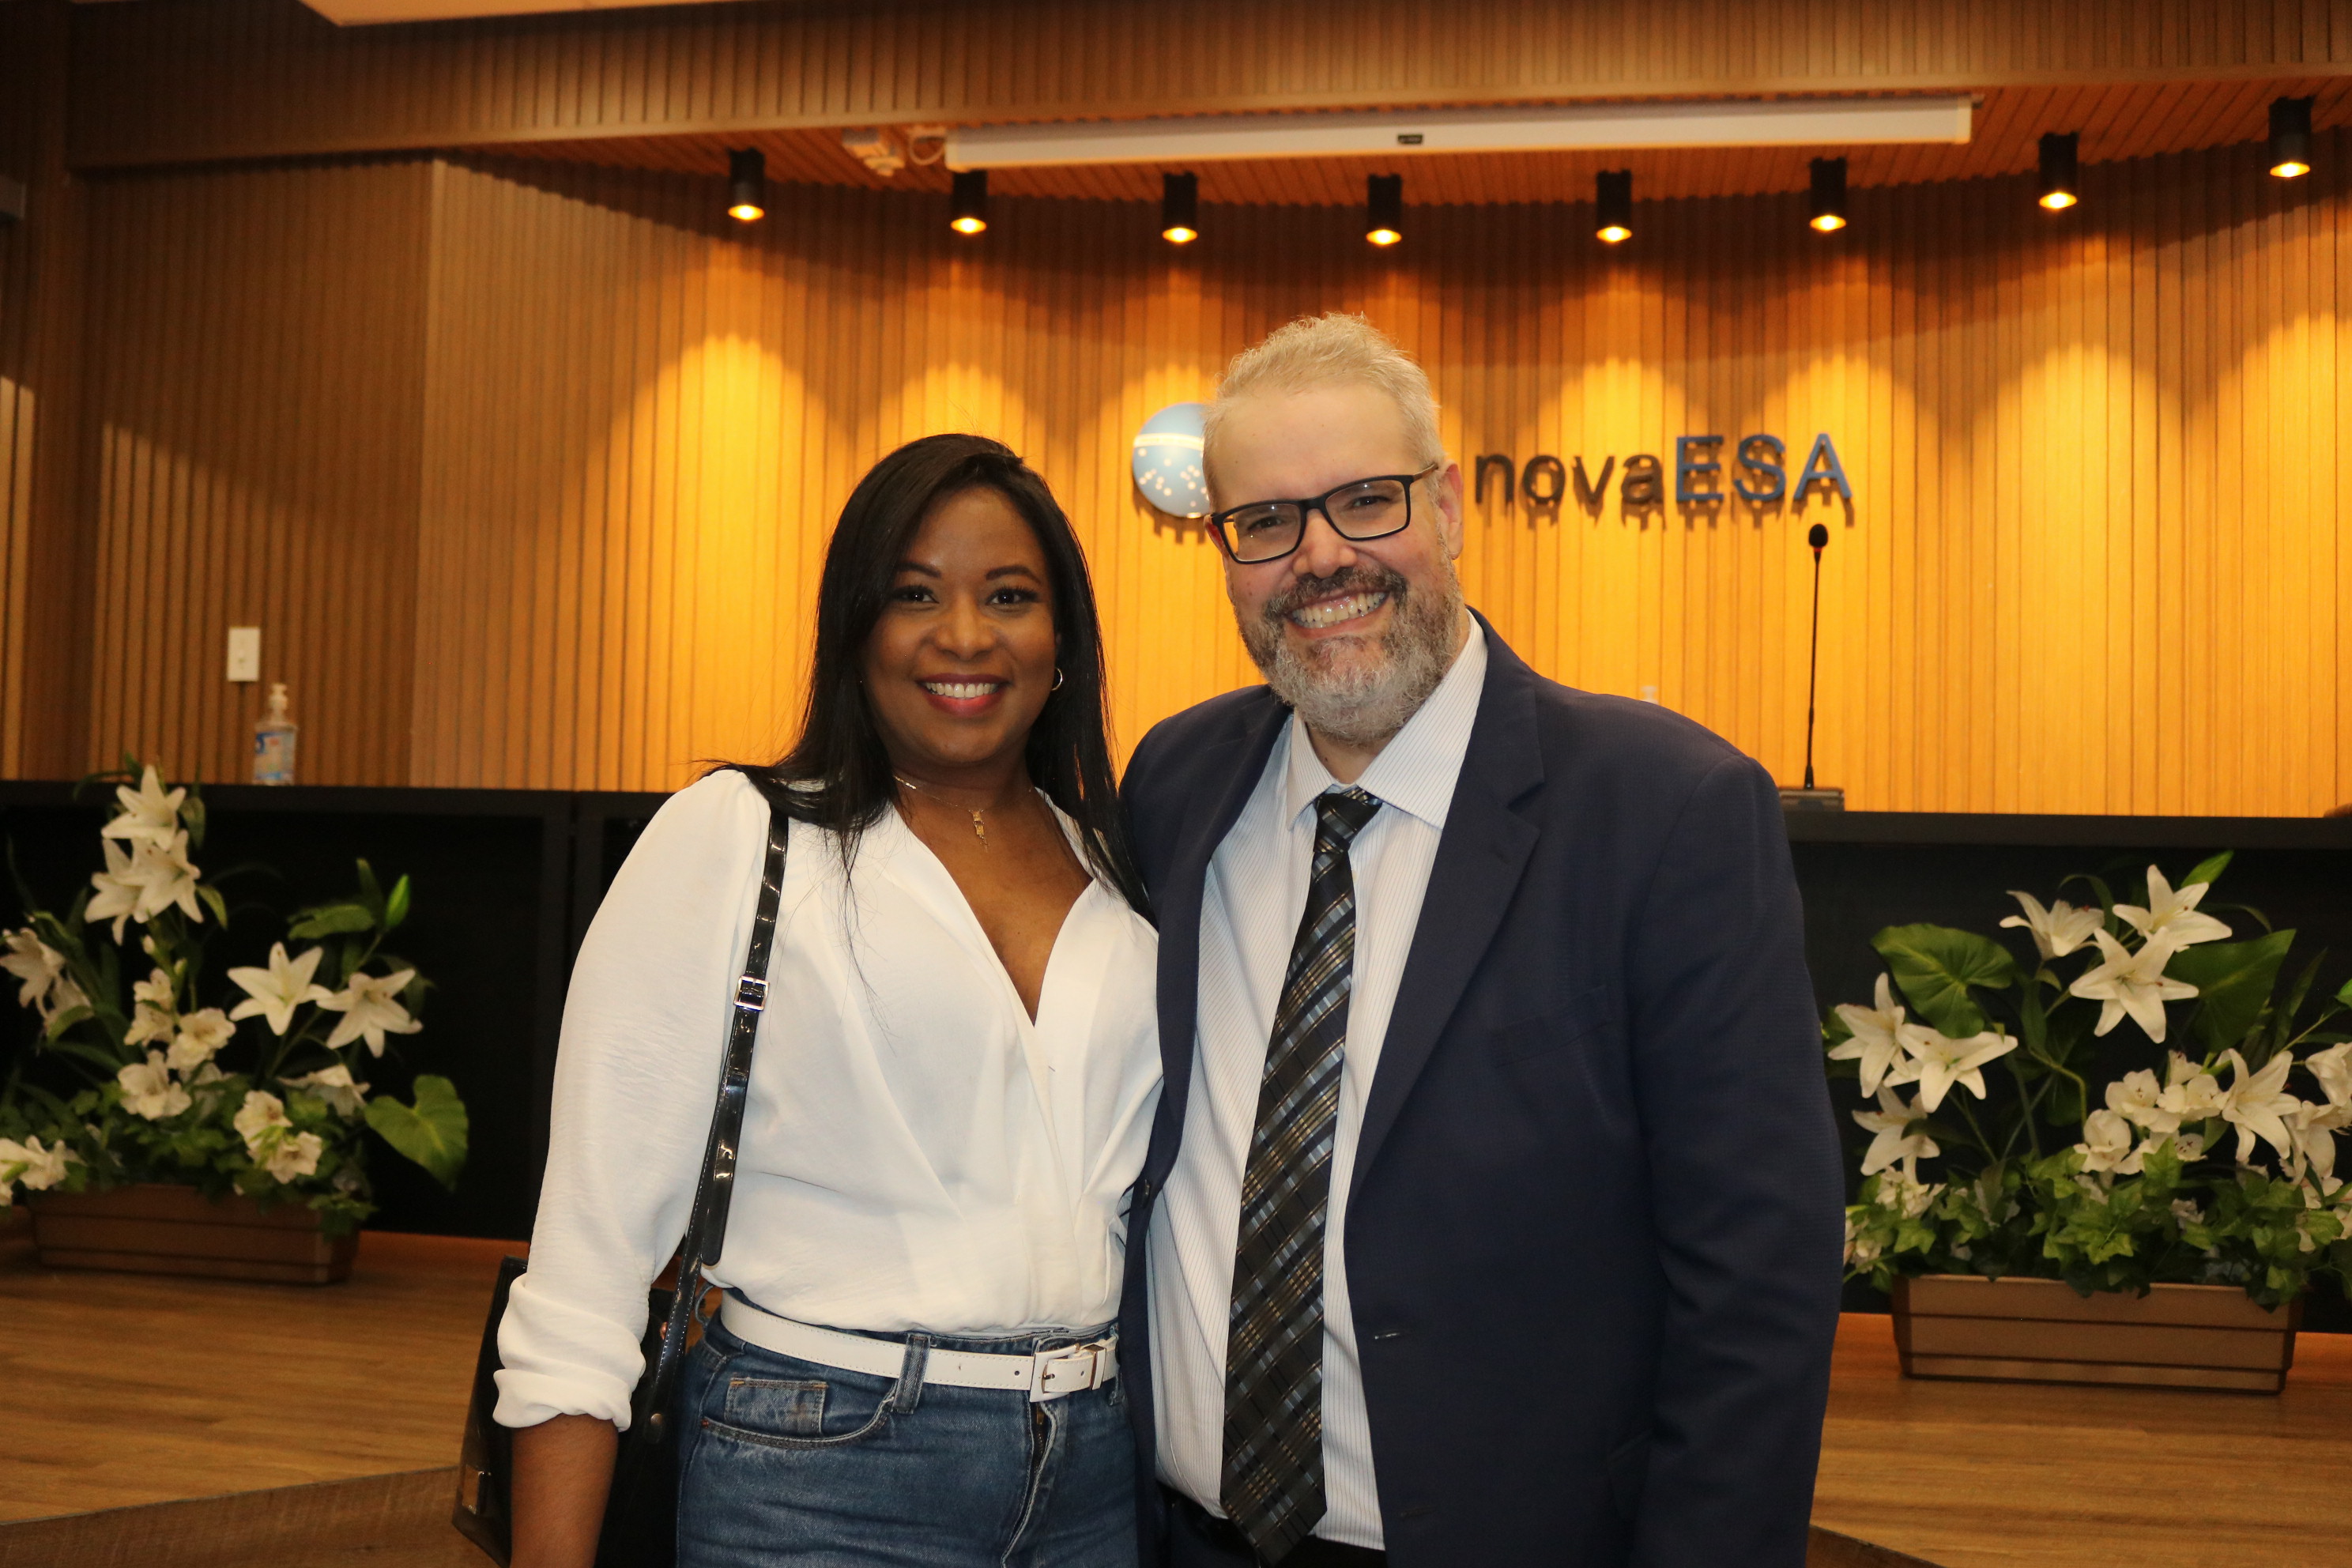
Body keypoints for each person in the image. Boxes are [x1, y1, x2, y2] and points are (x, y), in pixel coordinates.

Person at [1118, 315, 1845, 1567]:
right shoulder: (1178, 783)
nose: (1321, 557)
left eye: (1367, 500)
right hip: (1185, 1539)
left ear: (1448, 506)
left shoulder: (1666, 810)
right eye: (1266, 521)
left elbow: (1758, 1283)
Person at [497, 434, 1163, 1568]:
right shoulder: (741, 838)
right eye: (915, 593)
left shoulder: (1118, 867)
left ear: (1063, 641)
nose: (965, 635)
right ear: (854, 629)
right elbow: (589, 1255)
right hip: (818, 1465)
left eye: (1010, 595)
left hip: (1099, 1472)